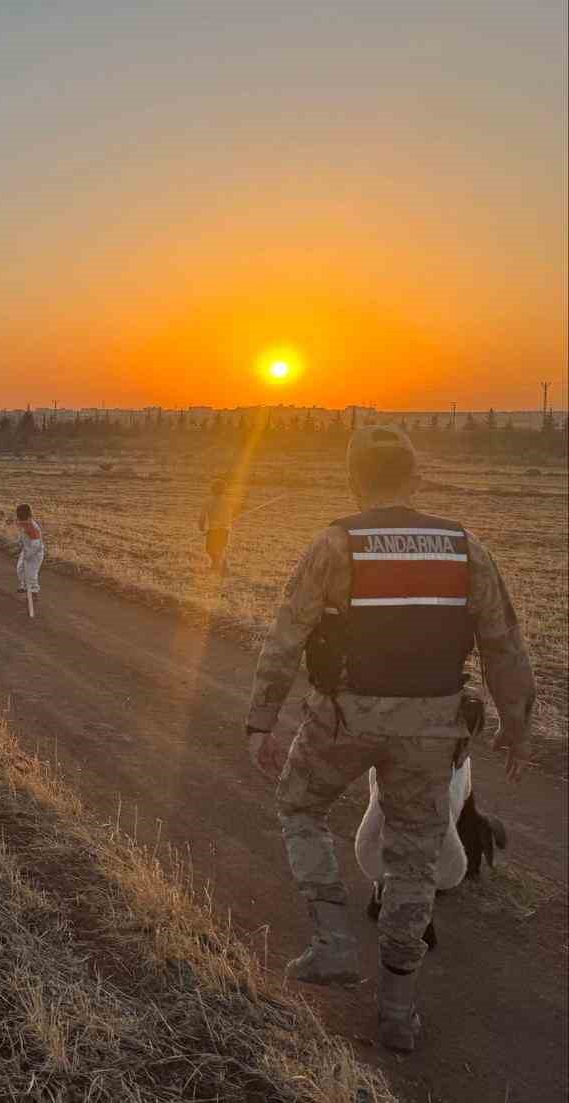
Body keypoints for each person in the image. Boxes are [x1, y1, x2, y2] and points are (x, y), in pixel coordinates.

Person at [245, 426, 535, 1053]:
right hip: (432, 730)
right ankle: (399, 1011)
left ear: (354, 480)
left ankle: (332, 942)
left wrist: (261, 720)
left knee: (300, 805)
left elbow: (287, 635)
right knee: (413, 859)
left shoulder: (335, 543)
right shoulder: (466, 548)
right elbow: (503, 645)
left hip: (343, 718)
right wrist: (516, 728)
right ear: (417, 478)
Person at [199, 476, 235, 573]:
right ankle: (218, 564)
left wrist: (227, 521)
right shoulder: (208, 501)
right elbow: (203, 515)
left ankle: (220, 566)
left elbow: (230, 514)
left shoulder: (226, 501)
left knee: (217, 548)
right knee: (211, 549)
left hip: (223, 528)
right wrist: (201, 525)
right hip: (215, 529)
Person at [15, 503, 45, 604]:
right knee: (20, 569)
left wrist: (28, 556)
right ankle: (24, 585)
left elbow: (36, 546)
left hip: (35, 554)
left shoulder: (33, 529)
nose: (22, 524)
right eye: (21, 521)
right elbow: (22, 535)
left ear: (30, 517)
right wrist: (19, 542)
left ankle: (34, 592)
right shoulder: (22, 523)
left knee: (31, 574)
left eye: (24, 522)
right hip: (26, 550)